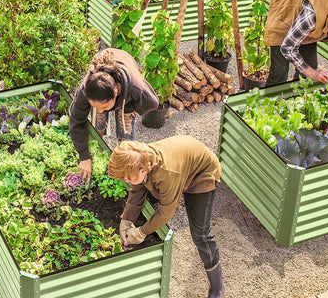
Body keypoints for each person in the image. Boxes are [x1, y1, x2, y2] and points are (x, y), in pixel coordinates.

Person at [109, 136, 225, 298]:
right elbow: (137, 190)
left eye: (128, 177)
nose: (127, 181)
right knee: (149, 191)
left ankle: (217, 288)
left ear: (143, 170)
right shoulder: (139, 159)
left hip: (202, 173)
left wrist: (142, 232)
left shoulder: (167, 174)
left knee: (200, 234)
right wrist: (126, 219)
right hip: (182, 165)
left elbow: (166, 212)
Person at [69, 48, 158, 183]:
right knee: (98, 124)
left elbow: (153, 103)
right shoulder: (85, 90)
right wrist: (84, 156)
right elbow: (76, 119)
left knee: (125, 136)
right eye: (94, 105)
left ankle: (125, 168)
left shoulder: (136, 87)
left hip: (125, 89)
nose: (101, 109)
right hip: (104, 76)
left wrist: (132, 107)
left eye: (104, 107)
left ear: (116, 91)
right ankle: (97, 152)